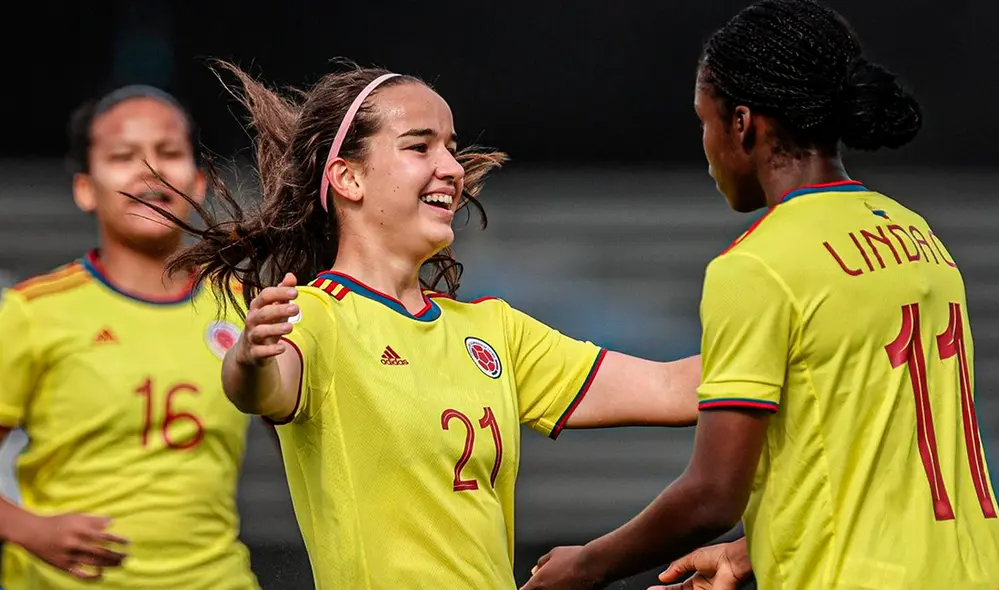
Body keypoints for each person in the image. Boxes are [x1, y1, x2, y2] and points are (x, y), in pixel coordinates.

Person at [139, 60, 704, 590]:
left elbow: (673, 388)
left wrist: (788, 340)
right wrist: (249, 356)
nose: (453, 169)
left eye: (453, 150)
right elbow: (262, 388)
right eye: (420, 146)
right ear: (348, 179)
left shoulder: (494, 329)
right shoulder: (317, 315)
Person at [522, 1, 999, 589]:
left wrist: (586, 565)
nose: (705, 149)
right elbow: (879, 451)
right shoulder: (917, 236)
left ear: (743, 124)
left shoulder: (758, 265)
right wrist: (751, 550)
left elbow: (713, 495)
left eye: (705, 122)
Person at [0, 86, 261, 589]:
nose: (151, 171)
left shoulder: (244, 307)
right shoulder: (34, 312)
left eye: (169, 153)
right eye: (122, 156)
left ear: (199, 181)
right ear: (84, 188)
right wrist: (29, 529)